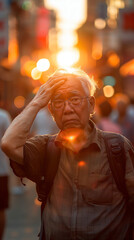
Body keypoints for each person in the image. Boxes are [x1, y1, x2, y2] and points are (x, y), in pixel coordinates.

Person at [1, 68, 134, 240]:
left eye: (75, 99)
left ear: (91, 104)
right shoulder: (45, 148)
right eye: (58, 102)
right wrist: (36, 103)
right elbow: (8, 144)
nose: (67, 109)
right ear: (51, 110)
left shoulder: (117, 148)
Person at [0, 107, 11, 239]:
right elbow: (11, 140)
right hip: (1, 170)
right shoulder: (3, 115)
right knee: (1, 208)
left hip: (2, 170)